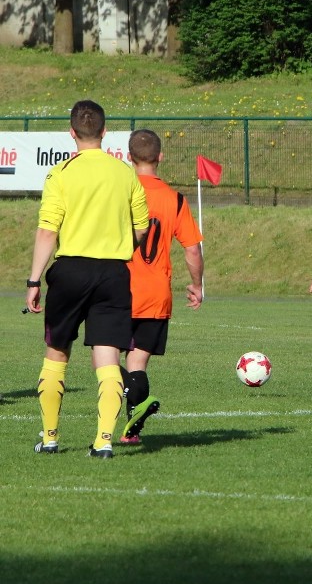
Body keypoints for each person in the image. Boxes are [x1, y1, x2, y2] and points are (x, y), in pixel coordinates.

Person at [26, 99, 150, 458]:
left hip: (70, 271)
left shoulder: (61, 173)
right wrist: (123, 244)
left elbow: (48, 231)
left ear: (71, 133)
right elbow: (141, 227)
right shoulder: (125, 173)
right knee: (108, 356)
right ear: (104, 132)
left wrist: (34, 281)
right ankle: (104, 441)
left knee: (56, 351)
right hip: (113, 272)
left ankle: (50, 438)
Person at [119, 129, 204, 445]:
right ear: (160, 157)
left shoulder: (120, 192)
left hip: (116, 290)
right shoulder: (175, 199)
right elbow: (192, 249)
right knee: (137, 361)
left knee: (104, 357)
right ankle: (133, 428)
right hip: (155, 294)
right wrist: (196, 285)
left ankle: (128, 401)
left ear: (129, 157)